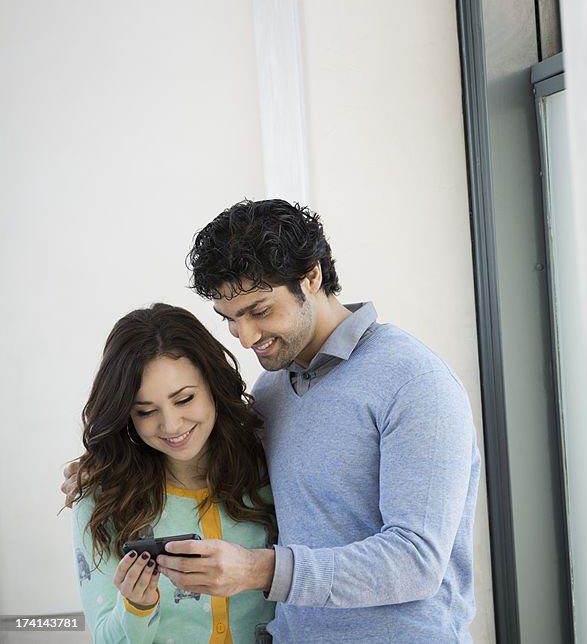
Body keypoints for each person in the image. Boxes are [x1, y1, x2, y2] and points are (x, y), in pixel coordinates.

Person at [147, 199, 479, 641]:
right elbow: (206, 459)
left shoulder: (415, 382)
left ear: (312, 276)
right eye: (230, 319)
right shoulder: (272, 391)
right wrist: (107, 466)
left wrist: (259, 570)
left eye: (260, 311)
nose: (246, 338)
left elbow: (416, 561)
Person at [69, 304, 276, 643]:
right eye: (146, 411)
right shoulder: (99, 500)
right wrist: (137, 606)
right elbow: (105, 637)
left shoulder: (269, 470)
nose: (171, 425)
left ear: (212, 384)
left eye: (184, 399)